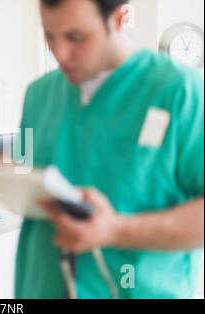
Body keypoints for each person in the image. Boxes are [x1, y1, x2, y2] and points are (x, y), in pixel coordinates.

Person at [15, 0, 204, 298]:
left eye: (76, 36)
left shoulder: (180, 91)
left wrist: (116, 230)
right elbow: (27, 179)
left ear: (121, 18)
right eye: (49, 35)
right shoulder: (38, 95)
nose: (60, 53)